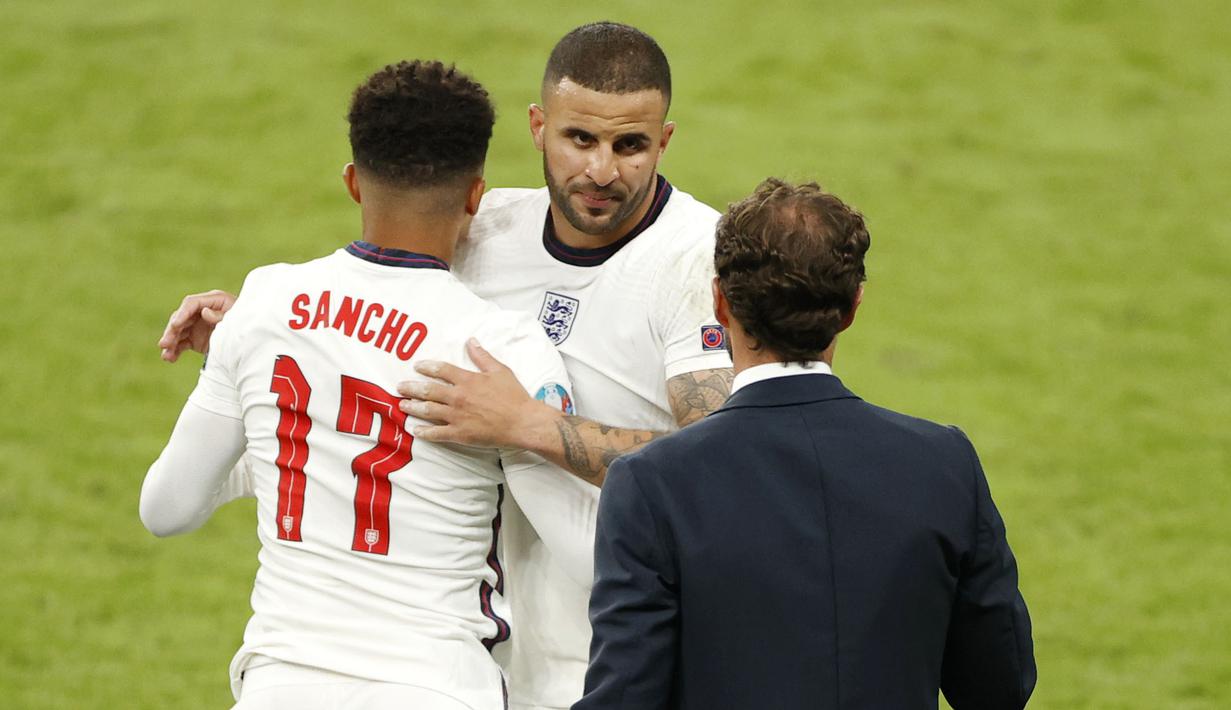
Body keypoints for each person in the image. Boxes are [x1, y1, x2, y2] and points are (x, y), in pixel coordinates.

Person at [158, 23, 734, 710]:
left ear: (663, 140)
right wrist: (254, 344)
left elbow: (724, 467)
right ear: (537, 127)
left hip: (627, 661)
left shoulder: (699, 257)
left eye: (629, 146)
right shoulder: (484, 231)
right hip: (492, 662)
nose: (601, 171)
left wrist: (534, 428)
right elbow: (368, 347)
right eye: (580, 139)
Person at [140, 60, 597, 710]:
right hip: (435, 688)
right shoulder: (504, 348)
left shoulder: (264, 305)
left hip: (280, 687)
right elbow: (585, 551)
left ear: (354, 182)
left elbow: (166, 508)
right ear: (475, 195)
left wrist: (280, 440)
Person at [575, 178, 1037, 710]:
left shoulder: (652, 483)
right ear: (852, 307)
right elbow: (1000, 688)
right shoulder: (944, 464)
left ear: (720, 303)